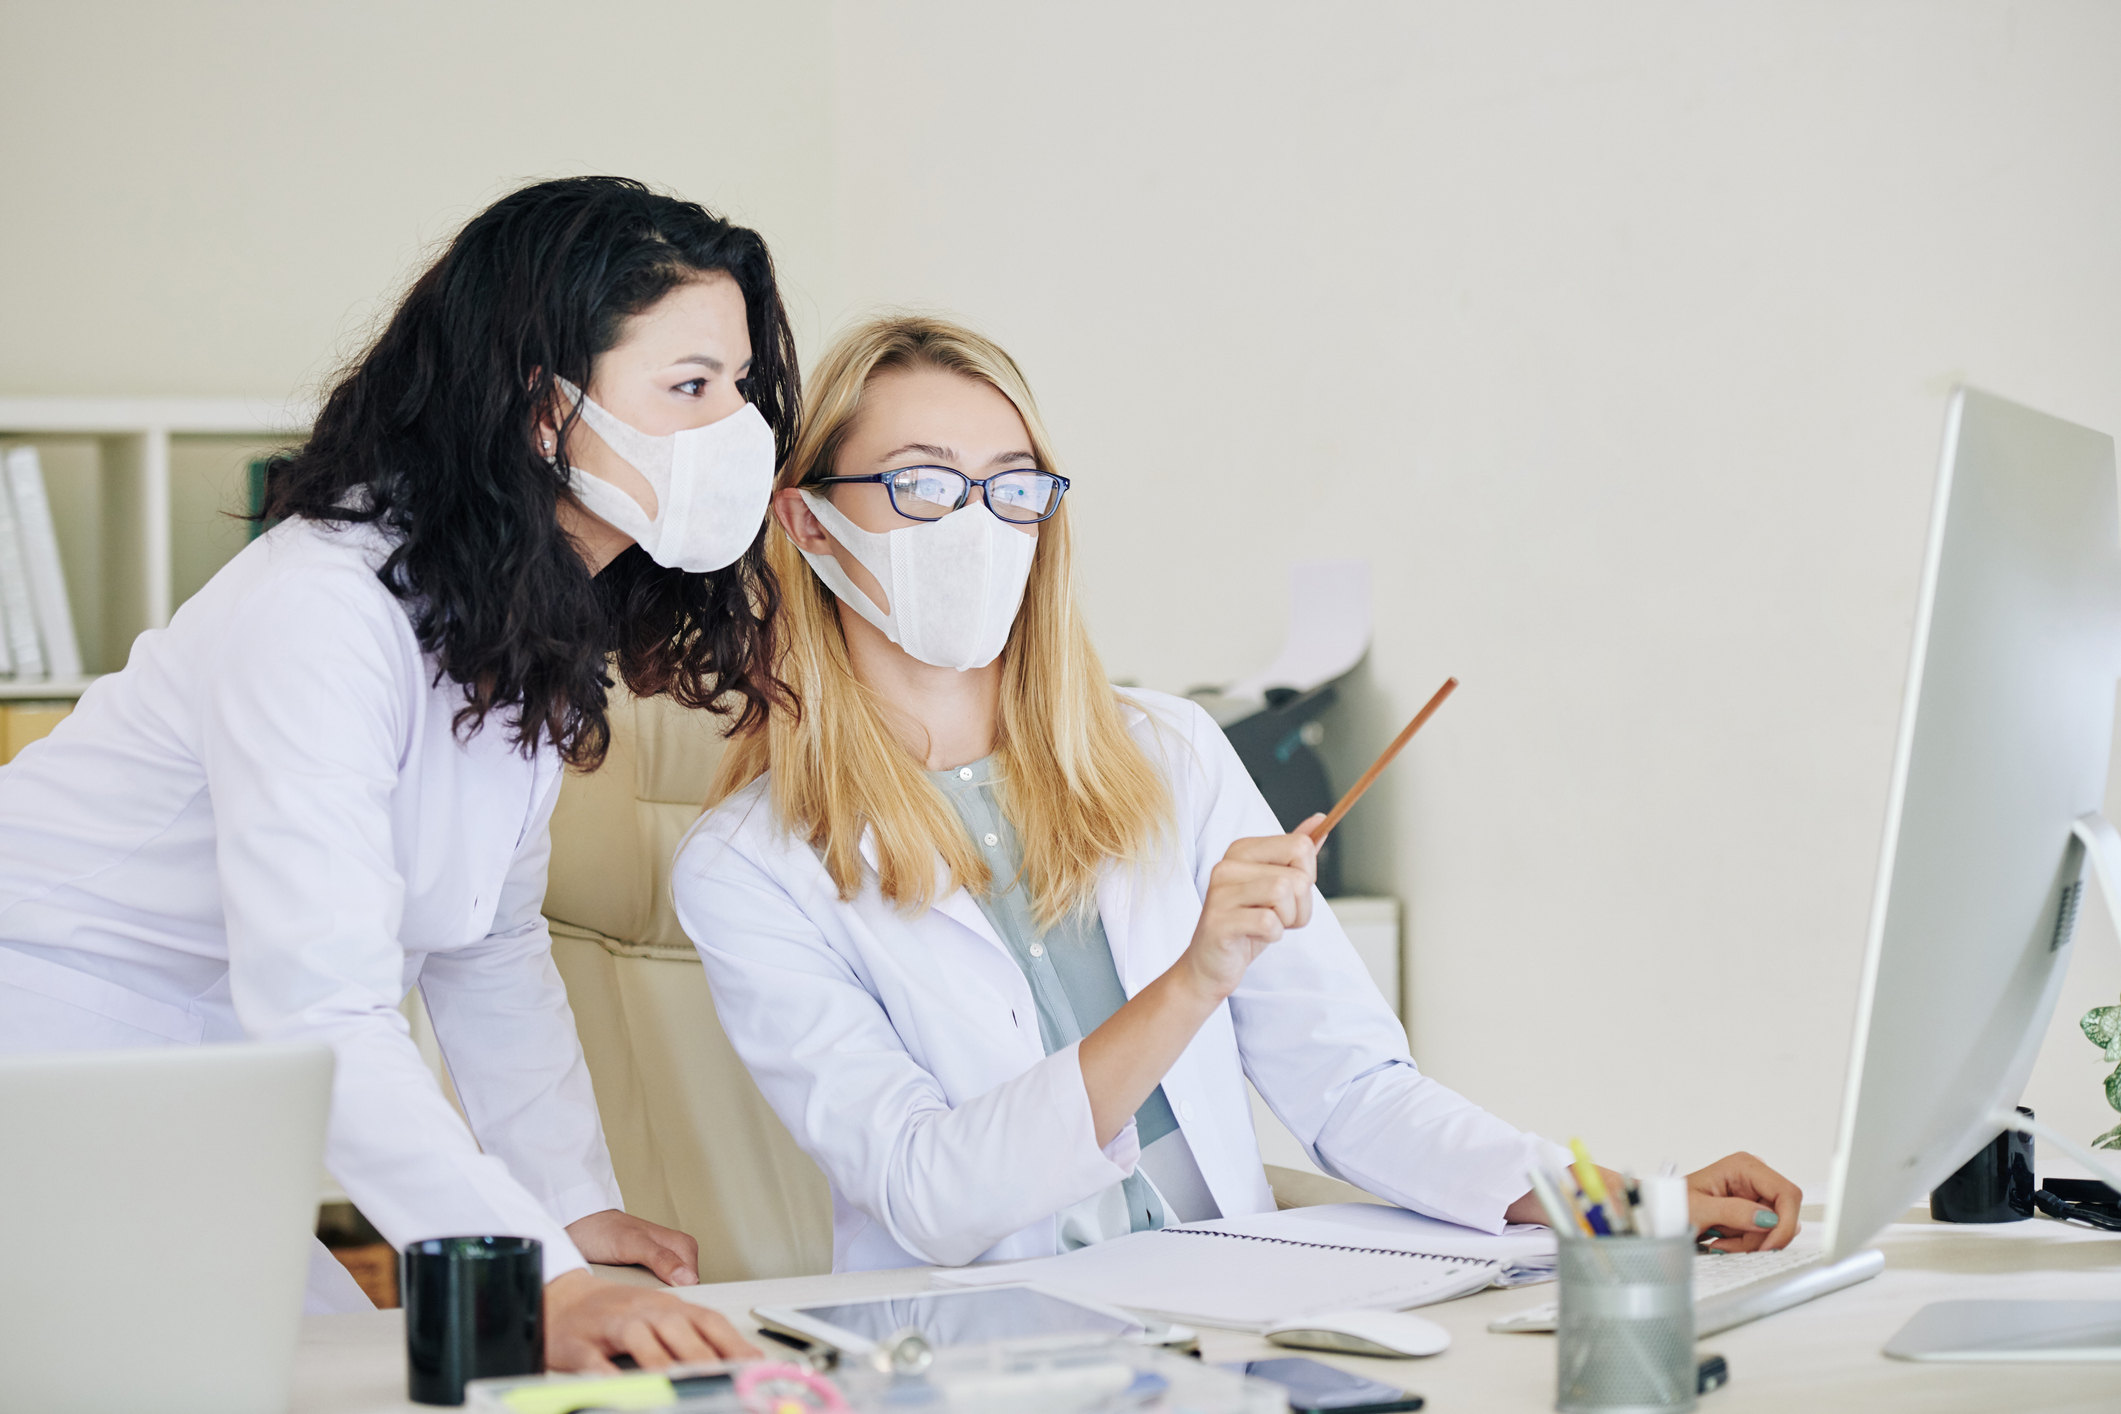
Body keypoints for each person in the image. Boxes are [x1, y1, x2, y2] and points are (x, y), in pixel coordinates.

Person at [673, 314, 1802, 1272]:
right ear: (806, 520)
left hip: (1232, 1323)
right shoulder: (746, 867)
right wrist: (1188, 983)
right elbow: (927, 1191)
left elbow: (1355, 1089)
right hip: (991, 1354)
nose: (976, 523)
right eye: (922, 484)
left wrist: (1620, 1205)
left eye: (1013, 489)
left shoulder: (1166, 751)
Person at [0, 177, 785, 1369]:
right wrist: (542, 1283)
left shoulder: (517, 615)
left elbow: (490, 945)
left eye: (738, 386)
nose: (737, 428)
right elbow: (320, 1006)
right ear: (544, 411)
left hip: (186, 1092)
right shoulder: (323, 614)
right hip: (49, 1059)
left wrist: (562, 1212)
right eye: (689, 386)